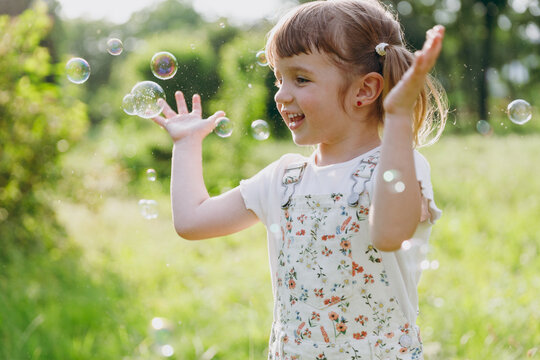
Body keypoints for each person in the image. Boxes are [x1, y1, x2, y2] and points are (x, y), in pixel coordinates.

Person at [151, 0, 447, 358]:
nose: (280, 94)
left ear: (365, 91)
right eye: (279, 79)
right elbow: (192, 220)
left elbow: (388, 235)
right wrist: (186, 144)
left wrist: (399, 118)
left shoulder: (395, 168)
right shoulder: (284, 178)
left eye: (300, 78)